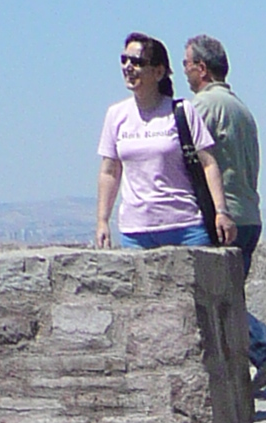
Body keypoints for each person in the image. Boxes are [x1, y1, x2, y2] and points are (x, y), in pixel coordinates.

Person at [182, 34, 266, 396]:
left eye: (186, 65)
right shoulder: (240, 108)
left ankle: (264, 346)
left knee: (218, 300)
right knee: (229, 296)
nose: (184, 72)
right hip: (248, 213)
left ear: (201, 67)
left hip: (223, 213)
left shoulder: (204, 107)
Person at [94, 33, 235, 259]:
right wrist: (102, 221)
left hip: (184, 226)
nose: (129, 67)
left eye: (138, 62)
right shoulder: (116, 115)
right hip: (136, 230)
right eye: (124, 60)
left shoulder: (181, 111)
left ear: (158, 72)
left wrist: (221, 211)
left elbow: (208, 163)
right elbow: (109, 171)